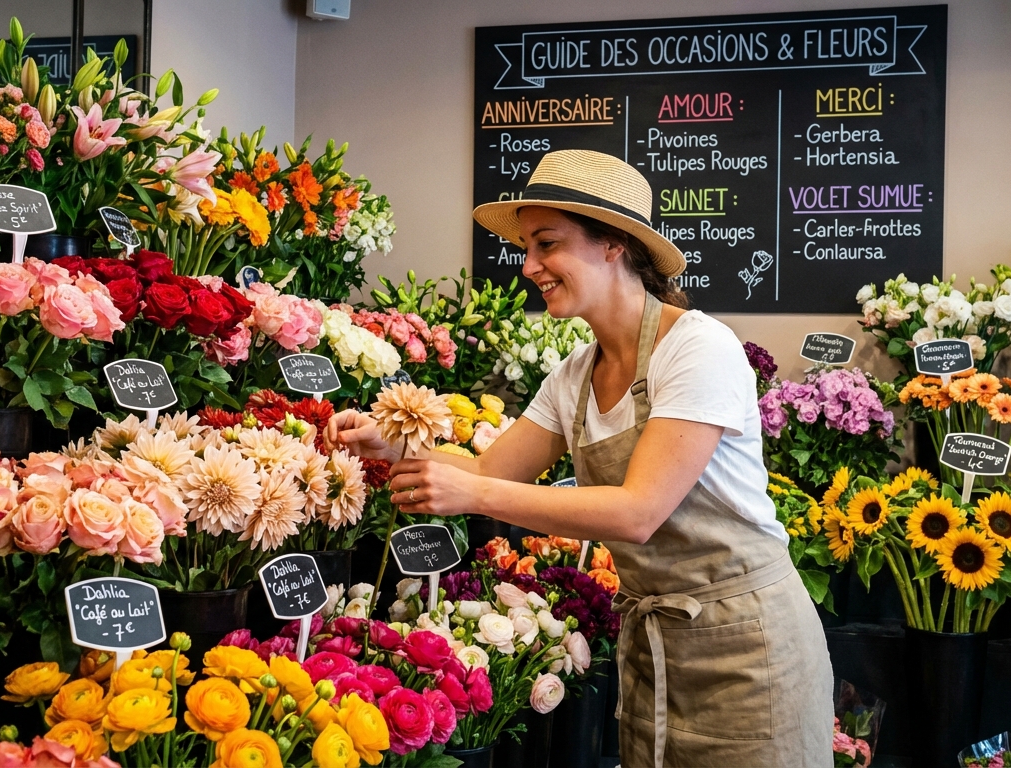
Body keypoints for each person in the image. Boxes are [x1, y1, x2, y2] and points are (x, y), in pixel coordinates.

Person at [324, 149, 833, 767]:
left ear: (614, 243)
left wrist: (475, 497)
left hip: (751, 649)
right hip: (656, 646)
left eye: (547, 244)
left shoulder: (698, 348)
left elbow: (638, 512)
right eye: (527, 248)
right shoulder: (574, 375)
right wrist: (395, 445)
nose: (529, 265)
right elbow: (489, 469)